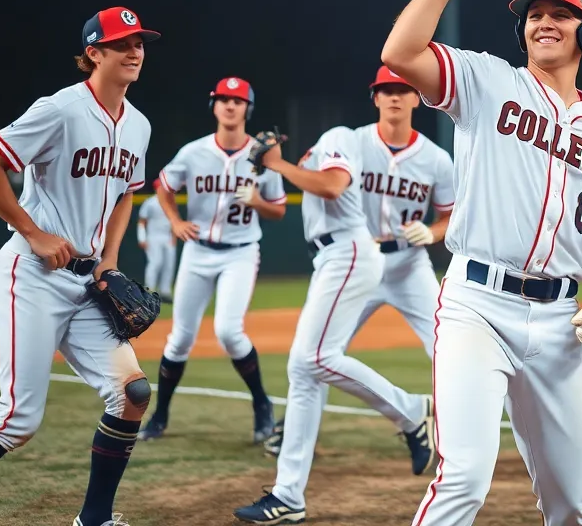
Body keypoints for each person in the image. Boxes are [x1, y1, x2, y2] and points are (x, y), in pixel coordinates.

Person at [376, 0, 582, 526]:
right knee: (464, 477)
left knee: (573, 504)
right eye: (535, 14)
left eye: (561, 14)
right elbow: (401, 52)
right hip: (477, 306)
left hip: (560, 323)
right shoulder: (487, 82)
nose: (544, 22)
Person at [0, 6, 159, 526]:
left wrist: (110, 263)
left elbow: (125, 196)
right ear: (93, 53)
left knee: (132, 394)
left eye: (139, 43)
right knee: (17, 420)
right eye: (123, 44)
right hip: (31, 273)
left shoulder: (138, 125)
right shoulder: (60, 109)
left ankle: (93, 519)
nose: (135, 52)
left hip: (88, 286)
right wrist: (32, 231)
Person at [234, 120, 437, 524]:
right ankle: (288, 496)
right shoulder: (316, 153)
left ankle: (412, 411)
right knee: (305, 370)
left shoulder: (337, 136)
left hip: (348, 252)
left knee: (313, 358)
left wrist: (278, 164)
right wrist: (272, 167)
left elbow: (333, 185)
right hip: (333, 256)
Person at [261, 65, 454, 458]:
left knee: (447, 345)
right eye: (386, 90)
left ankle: (459, 428)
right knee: (322, 352)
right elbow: (325, 180)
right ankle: (294, 428)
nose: (395, 96)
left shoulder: (436, 159)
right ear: (375, 98)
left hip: (408, 265)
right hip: (359, 263)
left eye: (403, 89)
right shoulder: (353, 144)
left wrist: (432, 233)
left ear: (417, 97)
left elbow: (452, 216)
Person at [137, 77, 287, 444]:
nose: (230, 105)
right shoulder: (194, 152)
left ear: (247, 108)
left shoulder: (263, 156)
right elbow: (163, 186)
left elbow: (279, 211)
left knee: (228, 332)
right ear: (214, 105)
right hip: (199, 251)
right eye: (223, 99)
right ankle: (161, 416)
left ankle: (262, 404)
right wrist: (175, 221)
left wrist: (257, 202)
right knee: (178, 340)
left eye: (237, 100)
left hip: (240, 252)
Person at [136, 181, 176, 302]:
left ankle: (165, 292)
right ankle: (150, 291)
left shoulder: (171, 201)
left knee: (169, 265)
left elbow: (174, 220)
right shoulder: (150, 202)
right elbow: (142, 221)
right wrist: (142, 237)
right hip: (153, 237)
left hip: (167, 237)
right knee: (155, 263)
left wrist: (173, 237)